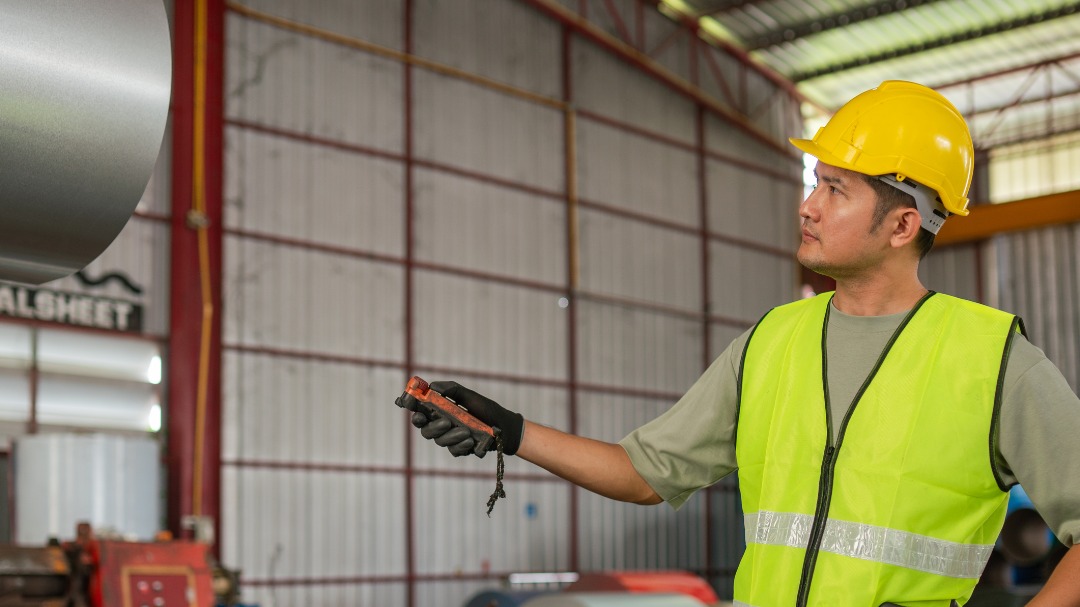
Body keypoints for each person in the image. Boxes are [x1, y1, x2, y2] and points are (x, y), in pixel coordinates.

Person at [398, 81, 1080, 606]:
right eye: (814, 183)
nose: (808, 206)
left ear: (903, 225)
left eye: (835, 189)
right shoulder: (770, 342)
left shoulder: (992, 359)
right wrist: (510, 430)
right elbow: (643, 472)